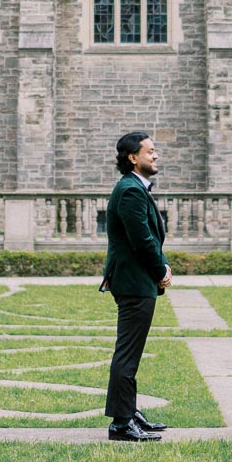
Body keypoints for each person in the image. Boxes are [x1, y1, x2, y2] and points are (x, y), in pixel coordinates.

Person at [100, 131, 172, 442]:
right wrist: (160, 270)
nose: (156, 156)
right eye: (150, 151)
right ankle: (121, 422)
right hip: (133, 282)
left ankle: (129, 411)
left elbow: (151, 236)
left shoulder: (136, 188)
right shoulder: (129, 190)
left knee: (131, 352)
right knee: (127, 354)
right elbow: (141, 241)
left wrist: (163, 264)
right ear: (133, 158)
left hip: (137, 280)